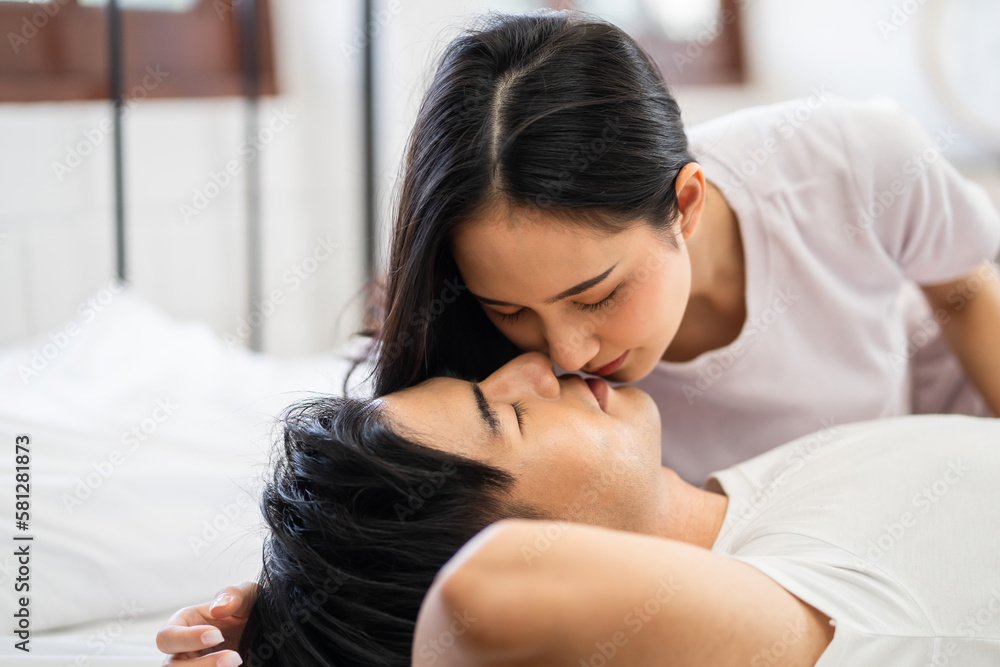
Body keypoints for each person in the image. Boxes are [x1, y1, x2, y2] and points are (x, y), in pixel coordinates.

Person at [360, 9, 1000, 485]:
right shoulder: (497, 366)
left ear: (686, 204)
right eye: (509, 310)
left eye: (598, 296)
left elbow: (966, 291)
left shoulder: (856, 162)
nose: (564, 353)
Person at [158, 353, 1000, 666]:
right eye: (506, 414)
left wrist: (312, 603)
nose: (532, 365)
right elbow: (485, 595)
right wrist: (347, 595)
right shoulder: (790, 611)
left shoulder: (747, 500)